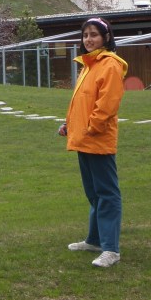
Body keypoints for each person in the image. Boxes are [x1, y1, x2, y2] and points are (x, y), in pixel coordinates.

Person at [58, 17, 128, 268]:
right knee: (94, 193)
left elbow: (107, 104)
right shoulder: (88, 65)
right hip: (83, 139)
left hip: (97, 139)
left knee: (107, 194)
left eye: (94, 35)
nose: (89, 39)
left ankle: (111, 249)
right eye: (85, 35)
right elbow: (81, 102)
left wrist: (91, 128)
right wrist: (69, 125)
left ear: (106, 37)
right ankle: (95, 240)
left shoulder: (110, 65)